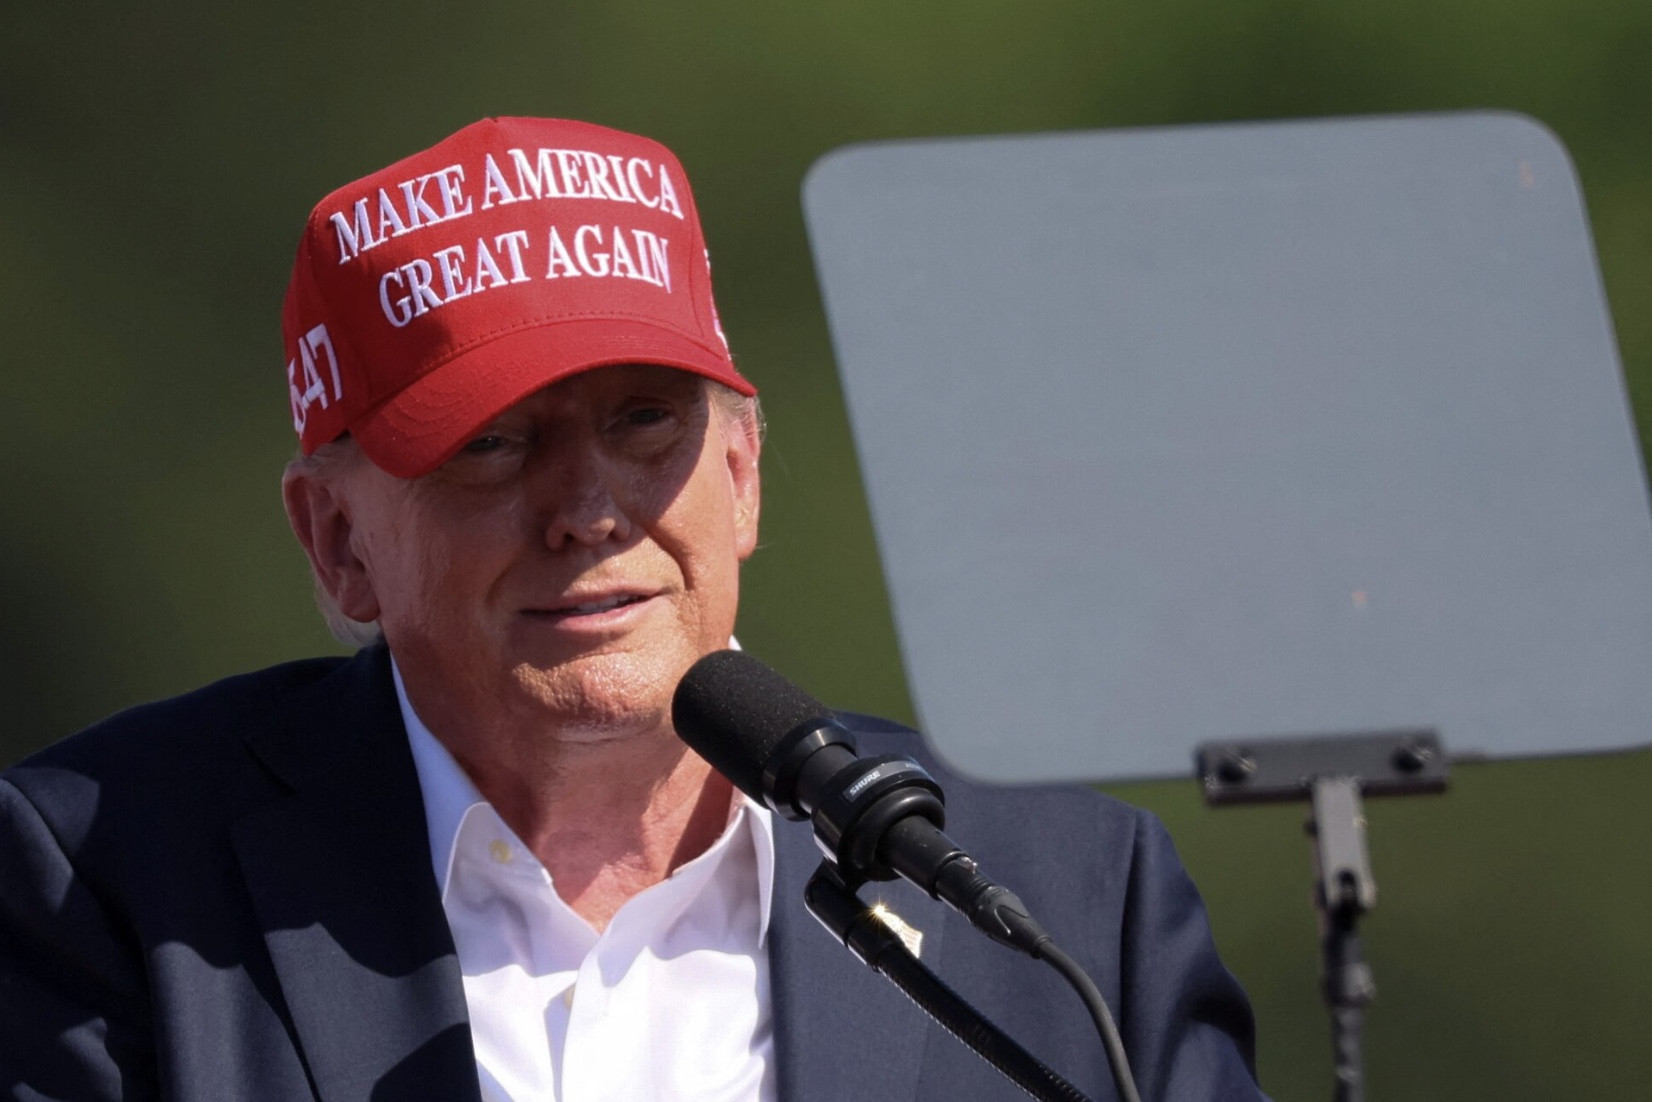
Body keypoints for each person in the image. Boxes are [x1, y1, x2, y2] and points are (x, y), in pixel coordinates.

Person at [0, 118, 1266, 1101]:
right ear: (339, 543)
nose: (588, 511)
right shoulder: (102, 876)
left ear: (741, 475)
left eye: (644, 422)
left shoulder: (1061, 902)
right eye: (494, 444)